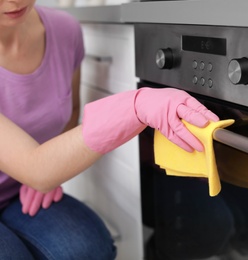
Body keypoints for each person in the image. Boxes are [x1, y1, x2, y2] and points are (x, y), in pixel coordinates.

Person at [0, 1, 219, 259]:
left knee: (88, 249)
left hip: (19, 192)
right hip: (32, 175)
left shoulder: (63, 30)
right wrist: (135, 107)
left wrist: (49, 171)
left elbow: (70, 112)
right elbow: (36, 168)